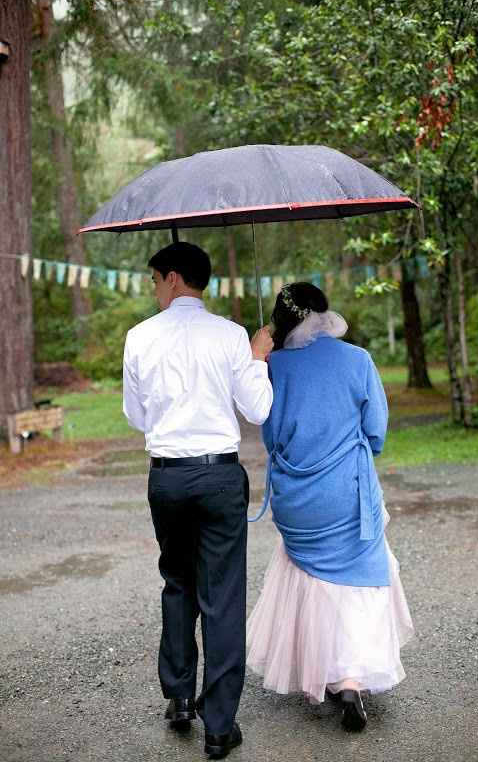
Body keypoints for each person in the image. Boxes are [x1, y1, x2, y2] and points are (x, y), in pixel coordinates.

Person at [122, 242, 273, 759]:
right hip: (218, 477)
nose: (154, 289)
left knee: (178, 581)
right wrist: (256, 358)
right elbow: (257, 408)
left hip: (166, 478)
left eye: (155, 280)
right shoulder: (232, 336)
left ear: (173, 278)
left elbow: (137, 418)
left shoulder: (139, 337)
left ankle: (181, 696)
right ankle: (218, 725)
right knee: (222, 596)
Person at [247, 282, 413, 731]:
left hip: (299, 500)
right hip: (348, 492)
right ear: (324, 313)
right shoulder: (357, 360)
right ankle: (352, 679)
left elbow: (270, 435)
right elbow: (376, 433)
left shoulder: (274, 367)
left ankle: (325, 670)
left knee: (313, 581)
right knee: (355, 582)